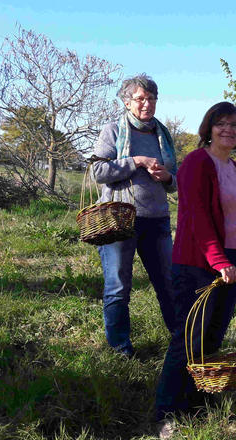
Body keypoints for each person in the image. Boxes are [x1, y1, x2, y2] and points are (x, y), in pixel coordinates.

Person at [154, 101, 236, 439]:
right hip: (199, 263)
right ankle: (167, 411)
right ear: (208, 128)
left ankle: (198, 401)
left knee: (213, 337)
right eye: (221, 123)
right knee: (188, 338)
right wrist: (219, 261)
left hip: (233, 260)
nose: (228, 129)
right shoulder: (197, 163)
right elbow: (197, 219)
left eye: (235, 124)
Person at [92, 74, 177, 358]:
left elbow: (175, 181)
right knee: (118, 286)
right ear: (127, 102)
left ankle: (181, 341)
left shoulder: (162, 134)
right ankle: (120, 349)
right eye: (140, 98)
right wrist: (136, 162)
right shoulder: (113, 130)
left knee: (168, 283)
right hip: (119, 220)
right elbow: (99, 172)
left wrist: (166, 177)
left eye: (152, 98)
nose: (147, 104)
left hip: (156, 219)